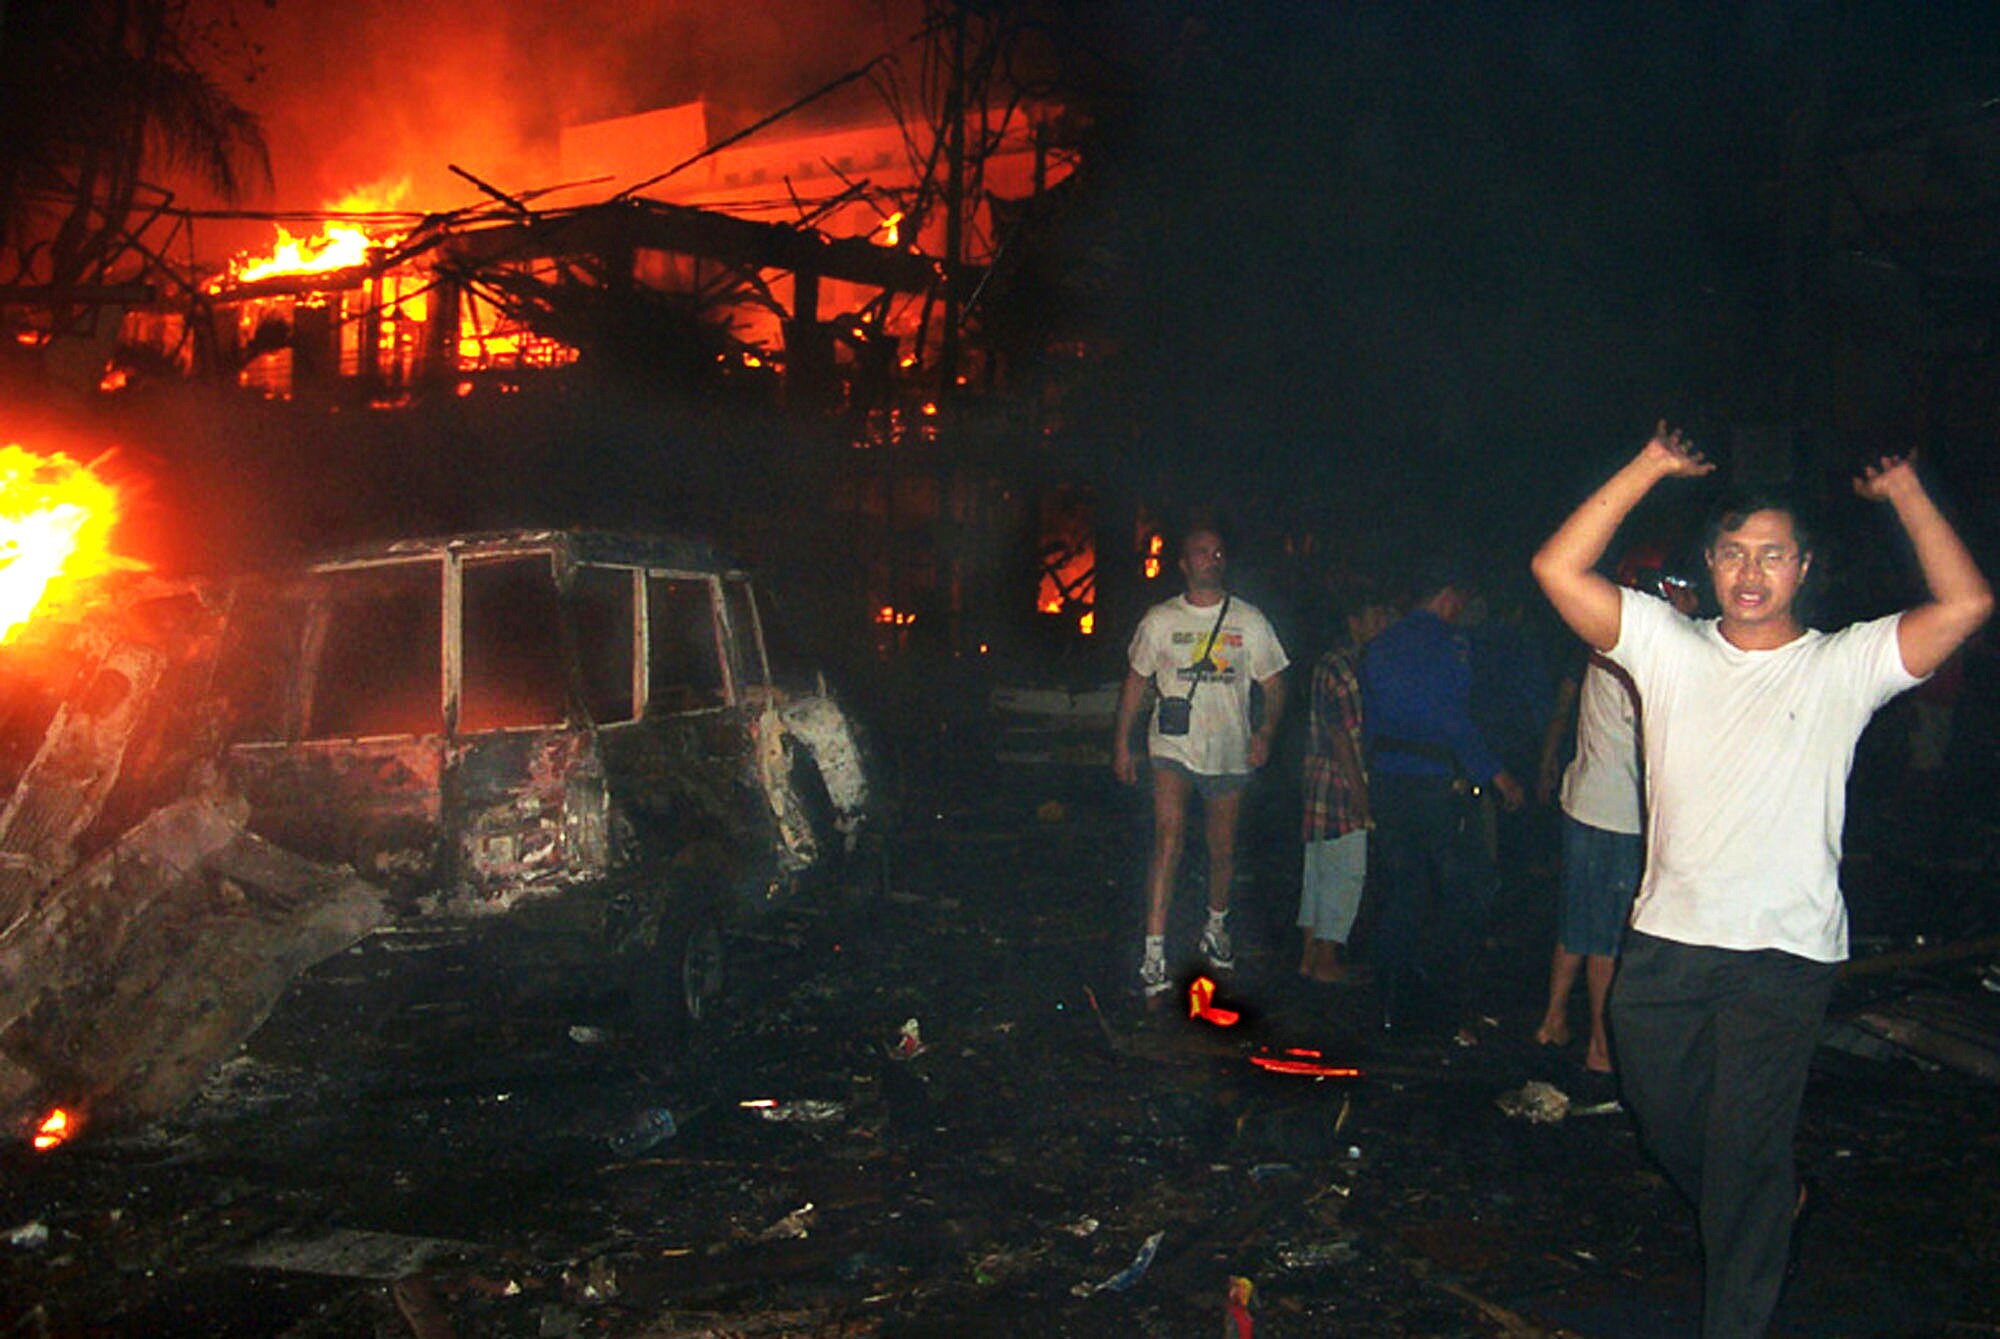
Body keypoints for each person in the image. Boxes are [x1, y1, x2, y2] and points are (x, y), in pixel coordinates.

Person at [1530, 423, 1991, 1339]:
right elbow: (1556, 567)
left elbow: (1966, 602)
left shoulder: (1840, 664)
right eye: (1734, 552)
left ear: (1803, 567)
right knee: (1660, 1117)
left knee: (1743, 1153)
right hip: (1666, 943)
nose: (1751, 572)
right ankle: (1771, 1198)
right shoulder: (1665, 643)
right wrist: (1650, 466)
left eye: (1772, 554)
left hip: (1782, 953)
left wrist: (1906, 491)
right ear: (1708, 564)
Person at [1532, 553, 1698, 1072]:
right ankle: (1601, 1047)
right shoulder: (1638, 660)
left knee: (1577, 924)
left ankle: (1553, 1020)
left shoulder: (1604, 646)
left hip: (1584, 803)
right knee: (1606, 936)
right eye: (1681, 589)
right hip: (1617, 815)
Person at [1113, 525, 1290, 999]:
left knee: (1221, 848)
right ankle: (1154, 950)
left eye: (1217, 552)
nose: (1211, 558)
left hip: (1228, 749)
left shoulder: (1249, 621)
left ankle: (1215, 925)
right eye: (1201, 552)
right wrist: (1123, 743)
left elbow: (1274, 683)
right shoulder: (1161, 620)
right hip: (1172, 747)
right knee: (1168, 839)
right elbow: (1135, 681)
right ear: (1183, 563)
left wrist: (1265, 731)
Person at [1360, 559, 1526, 1034]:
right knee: (1472, 884)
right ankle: (1433, 979)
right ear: (1448, 596)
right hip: (1433, 783)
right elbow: (1455, 720)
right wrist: (1498, 776)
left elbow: (1371, 718)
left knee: (1406, 885)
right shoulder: (1450, 645)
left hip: (1388, 781)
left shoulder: (1381, 645)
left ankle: (1391, 995)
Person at [1298, 590, 1392, 983]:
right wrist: (1360, 794)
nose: (1383, 623)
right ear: (1355, 622)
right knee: (1347, 871)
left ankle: (1309, 956)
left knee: (1318, 870)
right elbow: (1343, 736)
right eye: (1376, 616)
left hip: (1320, 778)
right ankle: (1326, 958)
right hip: (1340, 781)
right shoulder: (1345, 668)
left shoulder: (1333, 662)